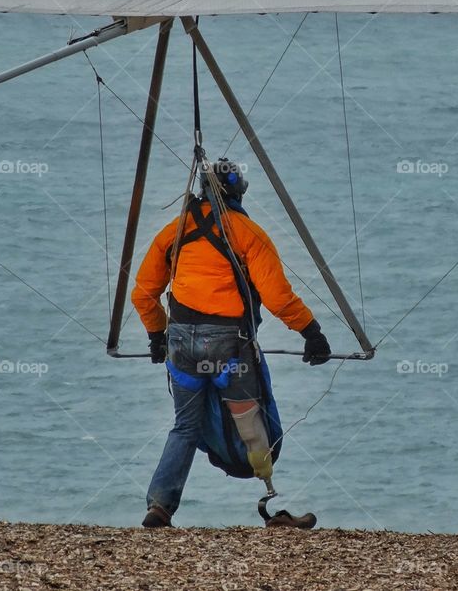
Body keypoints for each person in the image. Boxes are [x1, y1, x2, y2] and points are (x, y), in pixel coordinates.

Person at [131, 158, 331, 528]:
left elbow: (143, 293)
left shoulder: (174, 232)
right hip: (229, 349)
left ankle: (159, 506)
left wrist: (157, 335)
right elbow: (278, 298)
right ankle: (273, 500)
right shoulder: (247, 233)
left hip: (183, 346)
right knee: (251, 422)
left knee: (185, 427)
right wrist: (311, 332)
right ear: (236, 191)